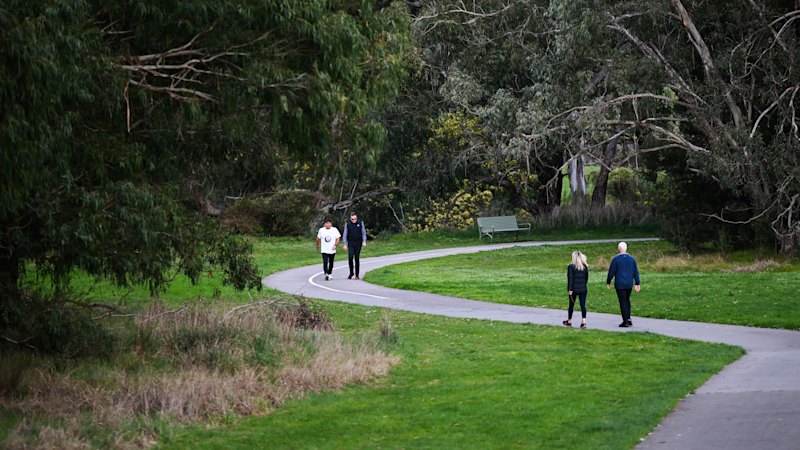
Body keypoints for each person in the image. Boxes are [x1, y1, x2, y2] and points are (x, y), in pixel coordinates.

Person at [606, 242, 641, 327]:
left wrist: (608, 281)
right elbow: (635, 271)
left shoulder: (616, 259)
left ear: (618, 249)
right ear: (626, 248)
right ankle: (628, 319)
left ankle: (625, 321)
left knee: (623, 301)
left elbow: (611, 271)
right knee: (627, 300)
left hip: (620, 283)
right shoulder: (632, 259)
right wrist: (637, 282)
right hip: (629, 283)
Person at [563, 251, 589, 329]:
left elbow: (570, 279)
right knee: (582, 305)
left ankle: (569, 321)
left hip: (574, 289)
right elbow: (586, 278)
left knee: (571, 305)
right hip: (583, 288)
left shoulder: (571, 267)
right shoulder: (585, 267)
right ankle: (583, 322)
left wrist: (570, 289)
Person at [342, 212, 367, 280]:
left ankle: (357, 274)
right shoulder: (348, 224)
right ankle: (351, 272)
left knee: (356, 258)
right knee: (350, 257)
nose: (354, 220)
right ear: (350, 219)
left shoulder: (360, 223)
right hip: (351, 243)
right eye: (352, 219)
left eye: (355, 219)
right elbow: (345, 234)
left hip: (358, 243)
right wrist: (344, 244)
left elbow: (363, 233)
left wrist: (364, 241)